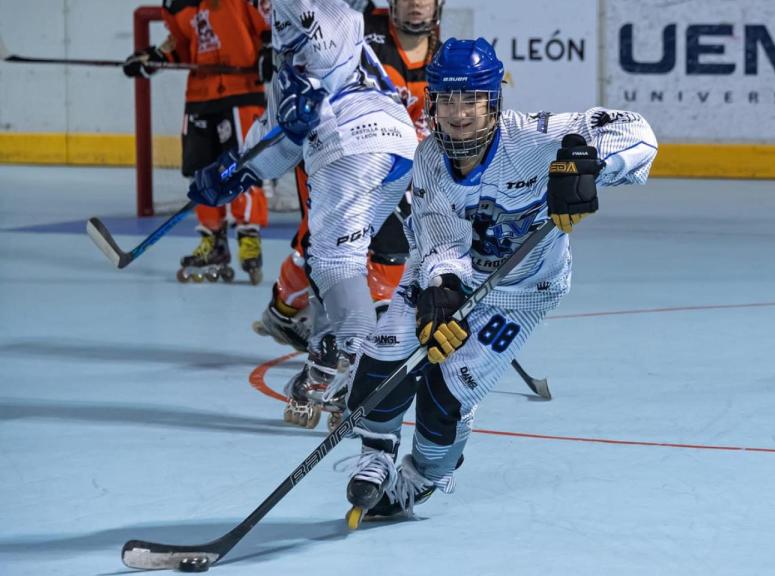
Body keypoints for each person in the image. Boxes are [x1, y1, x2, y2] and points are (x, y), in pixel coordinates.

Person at [334, 38, 659, 528]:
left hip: (521, 291)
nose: (459, 113)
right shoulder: (427, 160)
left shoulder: (535, 139)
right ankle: (377, 449)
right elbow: (444, 242)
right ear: (433, 102)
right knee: (375, 375)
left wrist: (589, 166)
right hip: (447, 278)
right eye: (447, 99)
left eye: (472, 99)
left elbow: (638, 133)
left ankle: (419, 478)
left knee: (444, 396)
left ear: (494, 101)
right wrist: (441, 290)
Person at [186, 2, 419, 424]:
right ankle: (329, 356)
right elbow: (284, 131)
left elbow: (324, 49)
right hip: (395, 144)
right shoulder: (286, 33)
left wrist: (310, 85)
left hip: (354, 143)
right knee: (333, 259)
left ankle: (366, 368)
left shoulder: (313, 12)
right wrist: (234, 173)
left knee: (334, 262)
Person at [253, 0, 443, 360]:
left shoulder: (438, 54)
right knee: (327, 244)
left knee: (356, 243)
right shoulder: (360, 34)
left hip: (392, 160)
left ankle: (287, 309)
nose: (417, 3)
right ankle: (335, 340)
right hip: (334, 150)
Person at [122, 0, 274, 284]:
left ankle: (248, 236)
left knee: (245, 167)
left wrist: (270, 50)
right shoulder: (175, 4)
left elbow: (268, 25)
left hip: (241, 91)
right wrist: (153, 57)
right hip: (199, 98)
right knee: (201, 172)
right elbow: (180, 44)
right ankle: (212, 240)